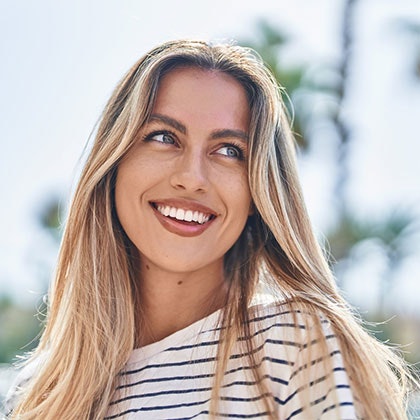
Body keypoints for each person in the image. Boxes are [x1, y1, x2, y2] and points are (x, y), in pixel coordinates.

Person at [5, 39, 417, 419]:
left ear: (258, 192)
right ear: (113, 165)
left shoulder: (297, 346)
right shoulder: (42, 393)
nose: (192, 177)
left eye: (228, 151)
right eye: (164, 137)